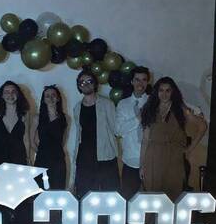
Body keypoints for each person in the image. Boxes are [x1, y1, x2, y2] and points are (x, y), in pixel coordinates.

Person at [140, 77, 207, 201]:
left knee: (172, 195)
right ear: (156, 92)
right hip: (153, 157)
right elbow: (145, 140)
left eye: (168, 90)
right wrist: (142, 165)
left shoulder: (180, 109)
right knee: (153, 196)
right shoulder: (150, 109)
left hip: (174, 156)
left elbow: (202, 126)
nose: (164, 94)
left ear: (173, 92)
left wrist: (189, 149)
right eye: (161, 90)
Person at [0, 81, 31, 224]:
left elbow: (26, 139)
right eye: (6, 92)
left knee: (19, 202)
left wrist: (29, 161)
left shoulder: (25, 114)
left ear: (18, 94)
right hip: (0, 162)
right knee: (1, 202)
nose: (10, 94)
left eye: (13, 91)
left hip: (19, 161)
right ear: (2, 95)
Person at [72, 69, 120, 198]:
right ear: (78, 86)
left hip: (105, 156)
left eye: (89, 81)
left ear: (95, 84)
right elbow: (78, 135)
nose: (86, 84)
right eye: (82, 82)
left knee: (110, 195)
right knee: (85, 195)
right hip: (84, 158)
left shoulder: (107, 104)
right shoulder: (77, 108)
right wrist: (75, 157)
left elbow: (116, 129)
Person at [115, 66, 150, 200]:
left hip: (150, 160)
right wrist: (137, 119)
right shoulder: (123, 104)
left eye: (144, 80)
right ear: (132, 82)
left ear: (147, 82)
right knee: (128, 200)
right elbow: (118, 130)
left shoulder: (153, 102)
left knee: (151, 200)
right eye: (137, 80)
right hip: (130, 161)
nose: (140, 83)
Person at [32, 85, 67, 189]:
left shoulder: (65, 118)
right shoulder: (37, 118)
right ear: (43, 99)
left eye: (53, 95)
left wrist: (55, 153)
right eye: (47, 96)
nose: (50, 98)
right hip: (42, 159)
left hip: (58, 160)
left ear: (58, 98)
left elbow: (63, 140)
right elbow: (32, 140)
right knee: (40, 191)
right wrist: (41, 152)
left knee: (58, 190)